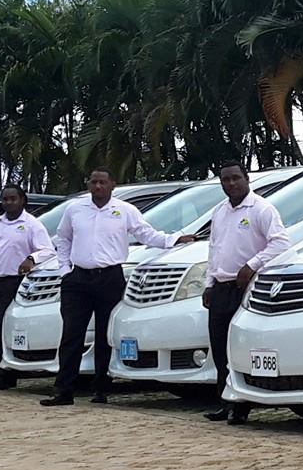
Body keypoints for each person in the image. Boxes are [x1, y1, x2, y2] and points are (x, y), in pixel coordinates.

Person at [42, 169, 194, 407]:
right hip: (78, 279)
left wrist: (173, 240)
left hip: (109, 278)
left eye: (103, 182)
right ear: (88, 184)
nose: (98, 187)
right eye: (94, 182)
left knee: (106, 334)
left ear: (112, 184)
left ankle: (101, 389)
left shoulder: (125, 210)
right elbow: (63, 239)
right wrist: (64, 270)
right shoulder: (75, 209)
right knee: (72, 334)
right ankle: (64, 390)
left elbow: (145, 233)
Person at [201, 164, 290, 425]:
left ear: (246, 178)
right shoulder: (219, 211)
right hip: (221, 286)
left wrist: (252, 265)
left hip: (245, 288)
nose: (231, 184)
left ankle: (241, 406)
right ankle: (225, 400)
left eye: (236, 178)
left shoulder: (261, 209)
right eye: (225, 180)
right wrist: (209, 282)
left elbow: (281, 242)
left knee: (239, 348)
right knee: (219, 348)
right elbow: (214, 249)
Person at [0, 184, 54, 392]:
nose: (9, 203)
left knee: (5, 327)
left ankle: (4, 373)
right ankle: (4, 370)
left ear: (22, 200)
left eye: (13, 199)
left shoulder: (32, 224)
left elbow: (48, 250)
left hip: (14, 283)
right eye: (5, 199)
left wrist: (31, 258)